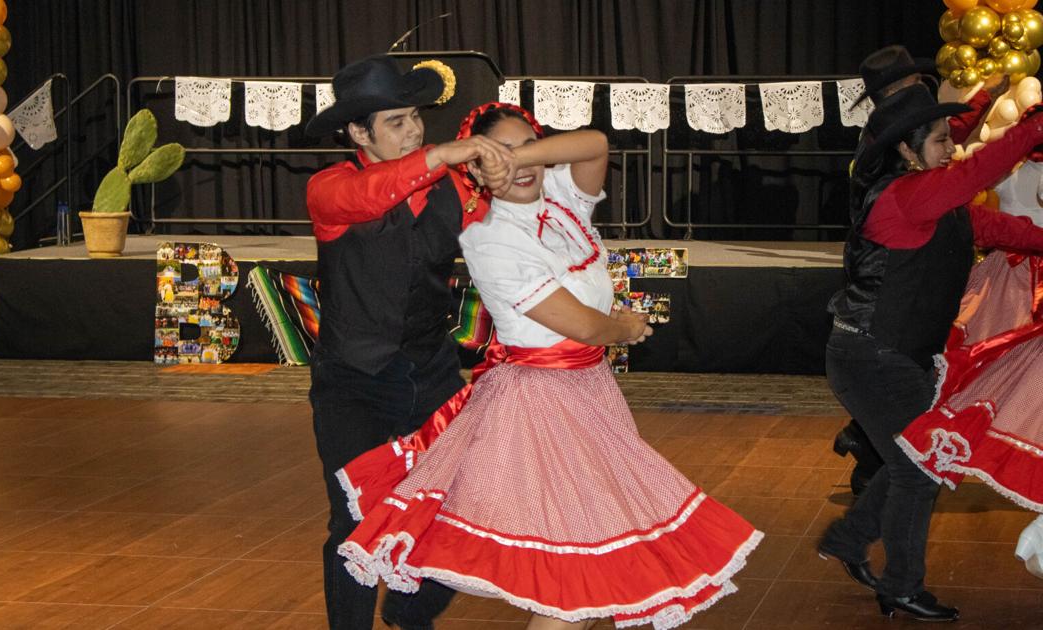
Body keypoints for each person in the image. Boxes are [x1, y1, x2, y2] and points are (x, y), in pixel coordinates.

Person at [334, 103, 762, 629]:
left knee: (581, 582)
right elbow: (580, 326)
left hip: (589, 395)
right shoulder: (488, 232)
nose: (523, 164)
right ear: (475, 168)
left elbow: (596, 144)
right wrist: (624, 329)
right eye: (500, 152)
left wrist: (511, 158)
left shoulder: (559, 199)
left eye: (529, 147)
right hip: (540, 405)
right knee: (573, 584)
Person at [303, 55, 515, 630]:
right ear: (357, 132)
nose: (415, 130)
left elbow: (504, 241)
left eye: (416, 117)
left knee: (459, 508)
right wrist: (445, 155)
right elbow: (372, 196)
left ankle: (407, 613)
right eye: (395, 121)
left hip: (434, 374)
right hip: (355, 382)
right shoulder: (330, 189)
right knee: (353, 521)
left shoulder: (452, 187)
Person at [819, 83, 1043, 621]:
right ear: (905, 149)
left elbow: (1009, 228)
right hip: (870, 357)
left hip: (894, 357)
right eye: (940, 140)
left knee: (920, 462)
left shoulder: (942, 203)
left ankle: (849, 539)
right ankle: (900, 584)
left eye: (949, 138)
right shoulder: (904, 196)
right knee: (920, 469)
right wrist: (1032, 129)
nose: (951, 149)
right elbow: (976, 172)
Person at [835, 45, 1003, 496]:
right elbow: (946, 140)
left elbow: (949, 133)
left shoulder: (900, 136)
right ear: (894, 92)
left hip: (898, 279)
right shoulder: (883, 144)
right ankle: (869, 476)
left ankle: (869, 463)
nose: (921, 92)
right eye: (913, 86)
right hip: (889, 277)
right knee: (903, 409)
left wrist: (983, 97)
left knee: (905, 401)